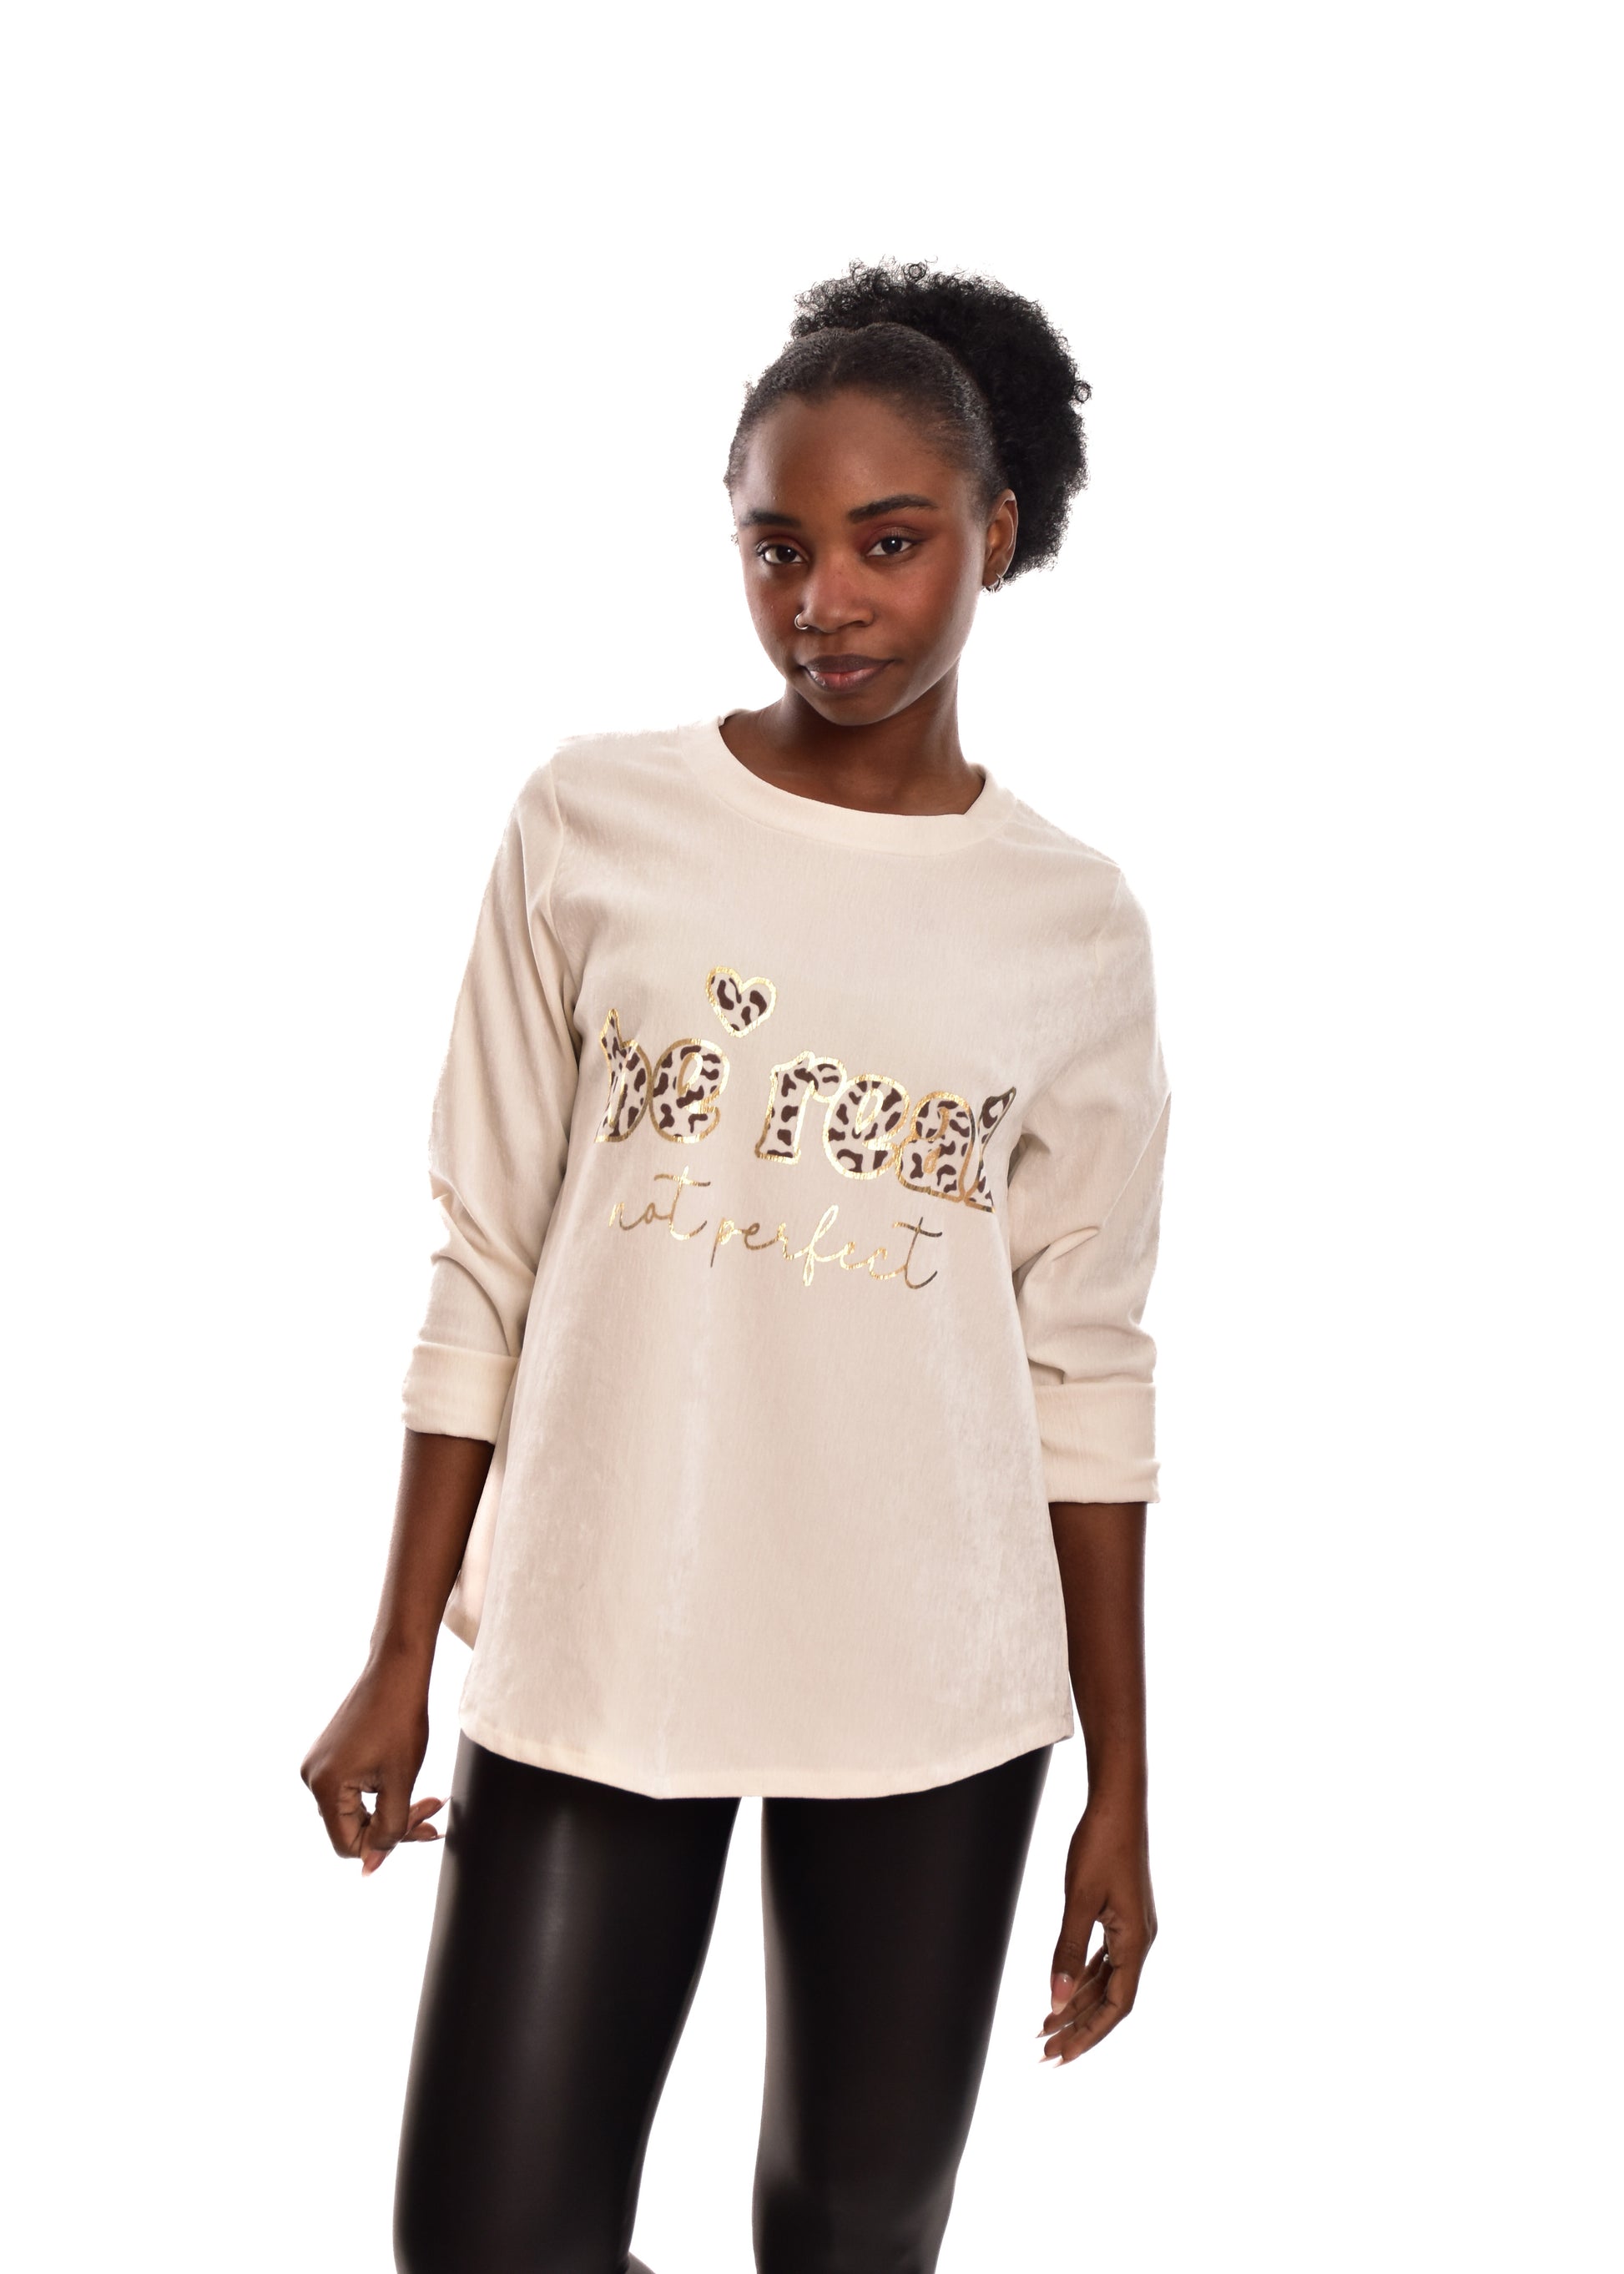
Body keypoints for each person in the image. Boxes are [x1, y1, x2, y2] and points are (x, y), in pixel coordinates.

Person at [300, 256, 1173, 2274]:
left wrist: (1122, 1785)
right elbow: (485, 1251)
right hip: (604, 1627)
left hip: (932, 1676)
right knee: (487, 2238)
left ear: (994, 537)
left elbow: (1087, 1364)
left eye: (889, 543)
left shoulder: (1069, 922)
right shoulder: (593, 820)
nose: (824, 602)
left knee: (848, 2236)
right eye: (778, 547)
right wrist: (399, 1644)